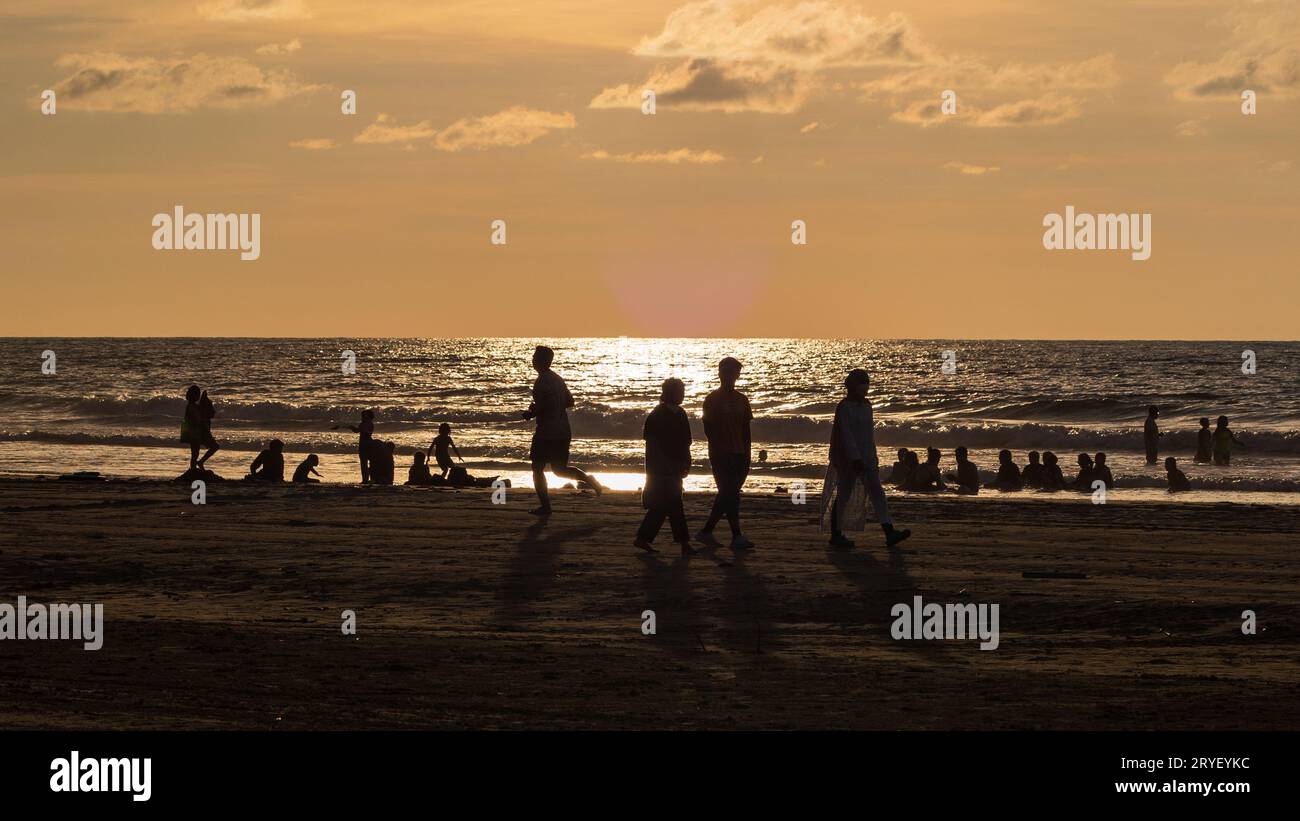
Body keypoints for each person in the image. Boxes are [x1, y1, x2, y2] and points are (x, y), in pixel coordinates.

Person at [822, 369, 911, 549]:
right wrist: (855, 458)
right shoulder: (844, 407)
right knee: (844, 495)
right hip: (849, 461)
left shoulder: (867, 406)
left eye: (866, 382)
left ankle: (889, 531)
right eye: (862, 382)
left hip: (867, 459)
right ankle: (836, 534)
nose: (865, 386)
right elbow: (845, 435)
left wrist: (873, 459)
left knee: (877, 493)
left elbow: (869, 437)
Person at [523, 345, 604, 516]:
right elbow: (570, 401)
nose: (532, 360)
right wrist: (543, 407)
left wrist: (532, 412)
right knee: (559, 470)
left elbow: (550, 404)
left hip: (547, 432)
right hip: (563, 430)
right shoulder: (557, 379)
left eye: (535, 357)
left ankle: (546, 507)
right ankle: (590, 481)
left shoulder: (543, 381)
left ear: (542, 361)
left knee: (537, 468)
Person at [696, 357, 755, 549]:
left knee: (729, 494)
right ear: (720, 374)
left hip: (739, 453)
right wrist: (721, 452)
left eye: (734, 373)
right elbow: (709, 429)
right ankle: (735, 535)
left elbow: (746, 430)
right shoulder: (712, 400)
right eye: (727, 372)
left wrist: (747, 453)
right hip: (721, 454)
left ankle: (707, 532)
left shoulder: (742, 400)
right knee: (729, 493)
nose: (730, 377)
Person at [635, 378, 696, 556]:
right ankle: (684, 544)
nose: (683, 395)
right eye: (680, 391)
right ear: (670, 393)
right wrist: (665, 465)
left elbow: (686, 442)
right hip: (660, 469)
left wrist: (687, 461)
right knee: (673, 504)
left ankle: (643, 538)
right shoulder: (657, 415)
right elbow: (652, 445)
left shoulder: (681, 413)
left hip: (675, 466)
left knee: (663, 506)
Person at [181, 385, 220, 470]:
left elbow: (205, 413)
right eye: (197, 394)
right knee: (195, 454)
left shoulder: (195, 406)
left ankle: (198, 464)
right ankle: (194, 469)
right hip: (194, 433)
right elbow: (198, 418)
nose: (198, 396)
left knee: (200, 452)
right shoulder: (191, 406)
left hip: (198, 432)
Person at [346, 410, 376, 483]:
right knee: (364, 463)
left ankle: (367, 479)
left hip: (366, 444)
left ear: (369, 416)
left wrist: (355, 428)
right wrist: (351, 427)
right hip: (365, 443)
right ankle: (365, 479)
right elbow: (357, 430)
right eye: (362, 416)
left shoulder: (367, 424)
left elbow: (365, 432)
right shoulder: (366, 424)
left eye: (364, 415)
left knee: (365, 463)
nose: (362, 417)